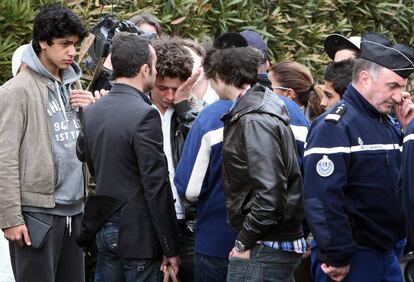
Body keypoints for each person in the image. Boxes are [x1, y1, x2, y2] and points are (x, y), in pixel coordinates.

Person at [303, 32, 414, 282]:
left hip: (386, 253)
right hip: (354, 258)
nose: (399, 96)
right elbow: (322, 198)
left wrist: (407, 131)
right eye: (392, 86)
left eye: (402, 88)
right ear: (364, 78)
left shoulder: (387, 123)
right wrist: (338, 256)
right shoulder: (335, 126)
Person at [0, 5, 96, 282]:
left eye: (75, 45)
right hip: (36, 214)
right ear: (43, 42)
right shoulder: (15, 91)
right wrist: (11, 218)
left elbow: (81, 145)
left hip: (74, 209)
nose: (72, 52)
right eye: (64, 44)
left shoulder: (75, 87)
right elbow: (4, 158)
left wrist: (91, 113)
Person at [76, 32, 179, 281]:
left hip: (104, 227)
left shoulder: (93, 111)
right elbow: (155, 184)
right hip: (138, 234)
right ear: (145, 69)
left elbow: (82, 152)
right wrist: (169, 246)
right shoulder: (145, 114)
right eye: (154, 66)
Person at [203, 42, 305, 282]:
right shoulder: (257, 108)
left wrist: (243, 241)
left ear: (220, 76)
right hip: (269, 241)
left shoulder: (254, 119)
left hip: (265, 245)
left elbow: (269, 194)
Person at [151, 36, 200, 282]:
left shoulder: (191, 111)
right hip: (149, 220)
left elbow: (204, 149)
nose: (170, 96)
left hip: (188, 220)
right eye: (162, 88)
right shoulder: (138, 111)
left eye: (176, 88)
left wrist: (183, 107)